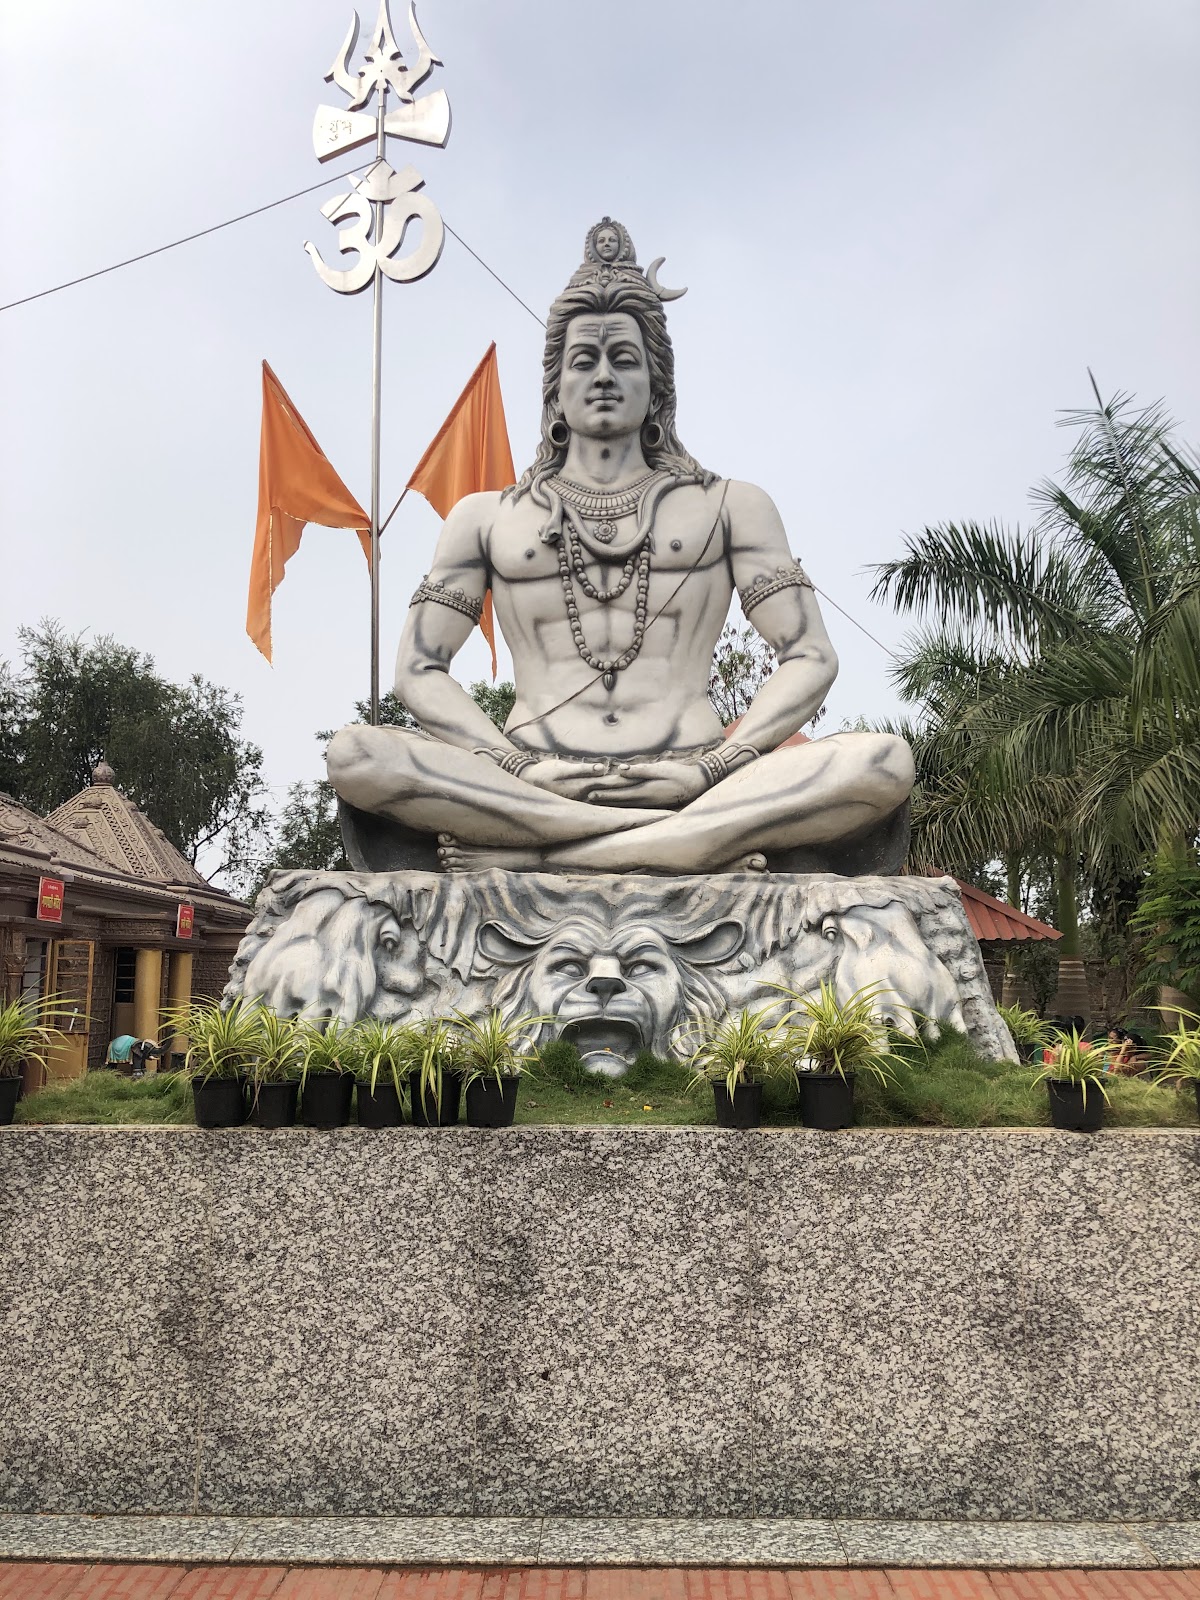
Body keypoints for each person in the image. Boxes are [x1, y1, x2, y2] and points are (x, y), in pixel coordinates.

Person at [327, 220, 915, 875]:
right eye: (584, 360)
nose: (603, 376)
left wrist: (721, 762)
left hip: (696, 776)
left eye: (624, 359)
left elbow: (808, 656)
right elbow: (419, 668)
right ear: (555, 386)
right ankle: (685, 847)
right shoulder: (486, 518)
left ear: (657, 384)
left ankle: (555, 850)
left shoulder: (731, 505)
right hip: (528, 776)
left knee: (883, 762)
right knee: (356, 755)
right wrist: (513, 763)